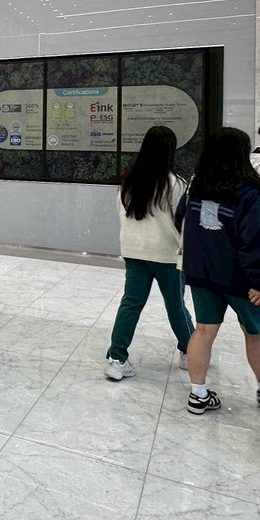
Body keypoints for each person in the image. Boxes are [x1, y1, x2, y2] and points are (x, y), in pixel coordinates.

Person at [177, 128, 260, 415]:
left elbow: (179, 220)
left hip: (200, 272)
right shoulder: (250, 191)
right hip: (241, 277)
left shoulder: (196, 185)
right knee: (254, 332)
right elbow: (255, 239)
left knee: (203, 330)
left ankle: (198, 395)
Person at [104, 125, 194, 380]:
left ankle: (117, 358)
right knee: (176, 305)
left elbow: (122, 213)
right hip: (167, 254)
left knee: (130, 304)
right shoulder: (177, 184)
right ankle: (190, 352)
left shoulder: (129, 181)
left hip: (134, 250)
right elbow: (184, 222)